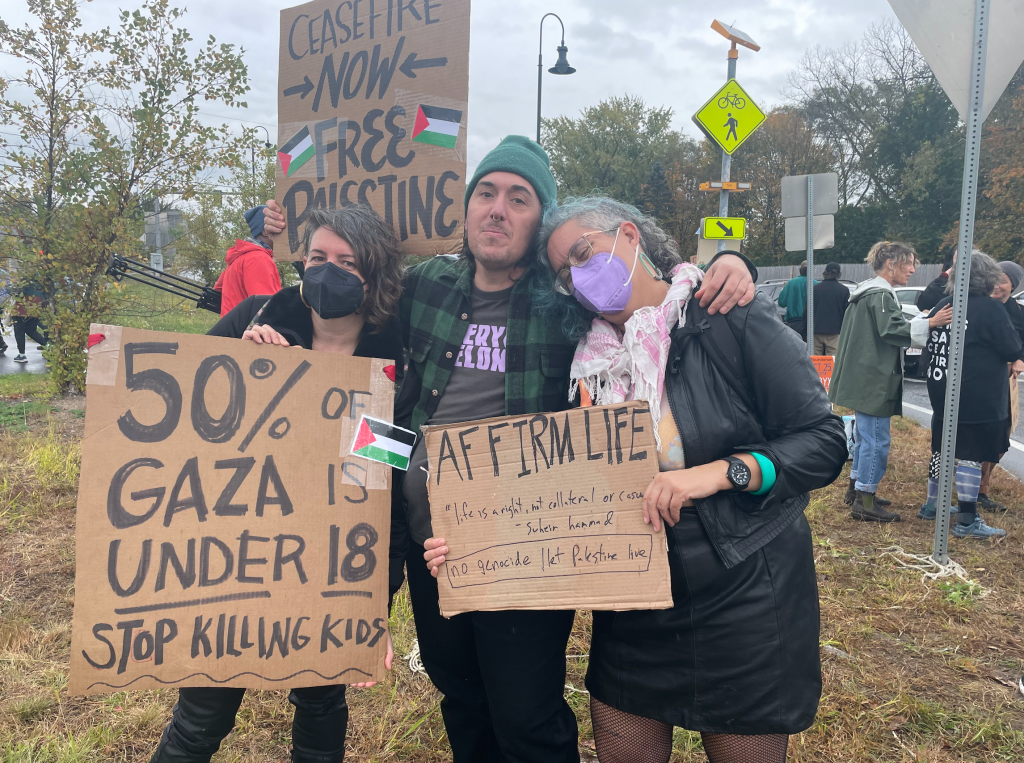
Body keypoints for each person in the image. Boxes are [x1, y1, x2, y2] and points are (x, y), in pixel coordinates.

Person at [261, 135, 755, 763]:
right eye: (486, 194)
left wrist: (733, 262)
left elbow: (654, 292)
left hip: (524, 546)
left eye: (519, 199)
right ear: (467, 211)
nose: (497, 209)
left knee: (525, 718)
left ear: (537, 219)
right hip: (429, 539)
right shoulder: (425, 287)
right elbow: (342, 298)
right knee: (460, 701)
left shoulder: (566, 300)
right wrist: (272, 255)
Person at [443, 195, 847, 763]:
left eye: (585, 253)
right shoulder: (581, 359)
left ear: (630, 236)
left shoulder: (730, 316)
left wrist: (719, 474)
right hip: (633, 601)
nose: (581, 279)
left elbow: (824, 442)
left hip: (745, 595)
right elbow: (539, 475)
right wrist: (471, 538)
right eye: (565, 273)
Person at [149, 204, 405, 763]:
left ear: (376, 273)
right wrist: (241, 373)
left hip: (327, 562)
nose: (328, 270)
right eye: (317, 257)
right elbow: (179, 419)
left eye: (348, 261)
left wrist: (369, 605)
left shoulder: (395, 356)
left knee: (319, 701)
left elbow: (392, 474)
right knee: (201, 712)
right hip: (235, 554)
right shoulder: (250, 319)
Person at [829, 242, 952, 522]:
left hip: (862, 374)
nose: (912, 269)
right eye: (908, 263)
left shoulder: (866, 291)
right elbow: (892, 329)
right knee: (876, 440)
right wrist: (931, 322)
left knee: (864, 437)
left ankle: (857, 489)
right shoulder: (880, 295)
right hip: (873, 378)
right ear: (891, 264)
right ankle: (865, 500)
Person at [918, 252, 1020, 538]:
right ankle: (967, 519)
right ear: (987, 278)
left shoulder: (944, 303)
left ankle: (932, 505)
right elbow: (1011, 348)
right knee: (971, 457)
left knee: (941, 450)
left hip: (941, 389)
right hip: (975, 394)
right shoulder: (990, 309)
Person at [977, 260, 1024, 512]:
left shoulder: (1018, 311)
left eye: (1003, 281)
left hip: (1006, 383)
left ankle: (983, 486)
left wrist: (1019, 359)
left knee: (1001, 435)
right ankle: (973, 487)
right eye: (994, 279)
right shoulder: (978, 305)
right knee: (978, 432)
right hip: (979, 379)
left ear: (1013, 286)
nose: (997, 285)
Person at [213, 204, 283, 317]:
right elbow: (265, 307)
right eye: (280, 228)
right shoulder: (258, 258)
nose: (284, 234)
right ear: (265, 231)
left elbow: (217, 290)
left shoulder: (240, 255)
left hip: (231, 330)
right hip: (249, 332)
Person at [812, 262, 849, 356]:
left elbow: (807, 311)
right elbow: (847, 313)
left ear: (825, 272)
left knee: (815, 362)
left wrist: (806, 329)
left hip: (816, 330)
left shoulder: (815, 289)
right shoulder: (844, 290)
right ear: (839, 274)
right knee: (833, 362)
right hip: (835, 332)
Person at [10, 278, 48, 363]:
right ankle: (48, 346)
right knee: (31, 330)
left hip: (21, 307)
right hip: (36, 306)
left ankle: (22, 355)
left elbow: (14, 291)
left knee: (19, 331)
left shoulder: (23, 277)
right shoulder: (40, 276)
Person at [776, 261, 814, 340]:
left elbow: (781, 302)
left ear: (800, 270)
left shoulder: (791, 283)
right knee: (811, 349)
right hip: (811, 323)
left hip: (794, 322)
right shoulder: (816, 284)